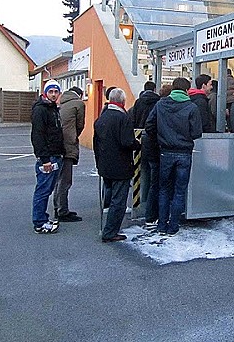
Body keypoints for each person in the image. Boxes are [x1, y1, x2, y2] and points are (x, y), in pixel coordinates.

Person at [145, 77, 202, 235]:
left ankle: (162, 224)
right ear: (186, 90)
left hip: (165, 151)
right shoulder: (192, 107)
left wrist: (161, 137)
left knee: (163, 189)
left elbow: (149, 125)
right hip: (184, 153)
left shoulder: (161, 104)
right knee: (179, 191)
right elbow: (197, 133)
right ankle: (174, 225)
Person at [93, 88, 141, 242]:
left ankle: (107, 228)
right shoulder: (123, 118)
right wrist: (138, 144)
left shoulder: (101, 118)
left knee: (110, 195)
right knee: (118, 201)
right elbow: (127, 142)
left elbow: (95, 143)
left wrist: (99, 163)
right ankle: (110, 232)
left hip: (105, 165)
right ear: (122, 102)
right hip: (120, 166)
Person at [30, 79, 66, 234]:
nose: (53, 94)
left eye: (56, 91)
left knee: (47, 189)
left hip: (55, 155)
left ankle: (42, 218)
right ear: (45, 92)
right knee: (43, 190)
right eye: (50, 91)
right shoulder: (41, 110)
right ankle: (39, 222)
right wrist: (44, 159)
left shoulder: (52, 108)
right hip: (48, 157)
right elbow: (37, 136)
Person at [127, 81, 161, 228]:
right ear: (154, 90)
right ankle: (148, 205)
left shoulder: (138, 103)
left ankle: (139, 202)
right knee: (154, 177)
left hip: (139, 141)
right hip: (154, 143)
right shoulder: (158, 103)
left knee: (140, 173)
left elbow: (132, 120)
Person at [53, 86, 85, 222]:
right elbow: (80, 125)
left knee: (58, 179)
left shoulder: (61, 103)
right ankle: (62, 211)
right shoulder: (78, 104)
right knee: (66, 180)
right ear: (79, 95)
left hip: (57, 145)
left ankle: (58, 207)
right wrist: (74, 137)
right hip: (67, 145)